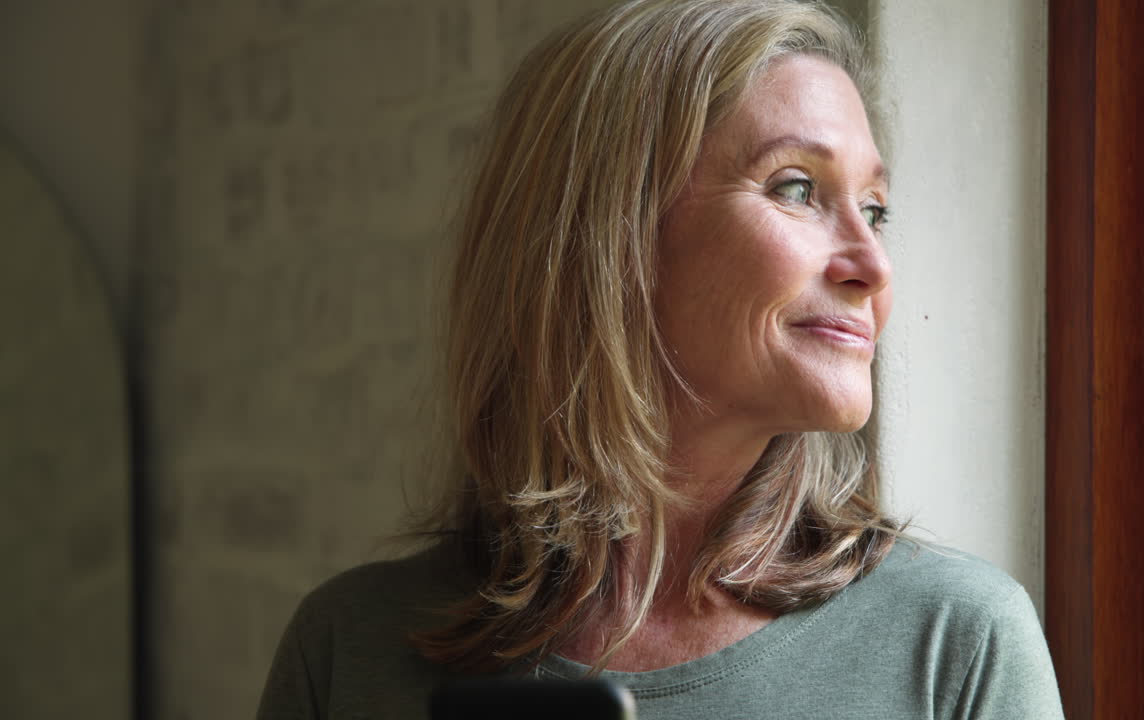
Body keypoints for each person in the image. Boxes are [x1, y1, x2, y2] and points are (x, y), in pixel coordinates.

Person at [257, 0, 1065, 717]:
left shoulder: (957, 645)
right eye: (795, 189)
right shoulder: (349, 651)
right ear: (610, 234)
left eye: (876, 209)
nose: (873, 264)